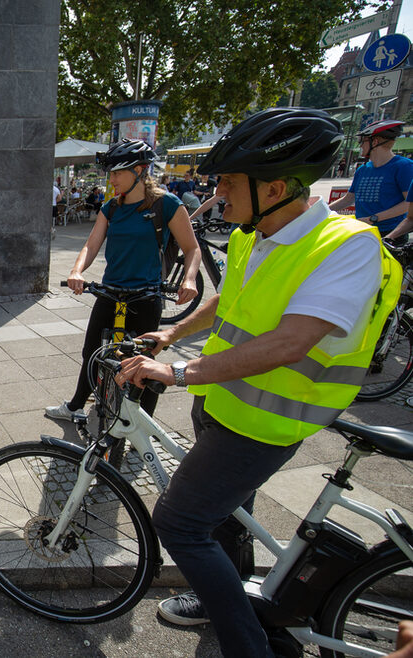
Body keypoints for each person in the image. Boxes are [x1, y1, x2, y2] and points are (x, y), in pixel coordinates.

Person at [116, 108, 399, 658]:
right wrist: (174, 333)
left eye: (228, 182)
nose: (218, 193)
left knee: (178, 522)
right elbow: (231, 302)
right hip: (223, 402)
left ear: (274, 187)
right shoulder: (255, 230)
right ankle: (229, 596)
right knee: (226, 517)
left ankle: (249, 646)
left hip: (268, 421)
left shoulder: (347, 246)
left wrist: (177, 372)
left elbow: (292, 341)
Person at [44, 139, 201, 422]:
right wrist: (76, 271)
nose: (111, 179)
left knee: (144, 363)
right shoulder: (111, 208)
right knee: (91, 352)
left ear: (140, 170)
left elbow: (192, 248)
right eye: (110, 173)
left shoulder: (166, 204)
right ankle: (76, 405)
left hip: (145, 296)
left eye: (117, 173)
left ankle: (143, 424)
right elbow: (90, 246)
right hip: (111, 292)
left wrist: (189, 280)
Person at [329, 119, 413, 238]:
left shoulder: (404, 166)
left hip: (391, 233)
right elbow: (348, 199)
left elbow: (408, 203)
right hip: (364, 231)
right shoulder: (362, 170)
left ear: (375, 142)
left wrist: (374, 218)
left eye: (362, 141)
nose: (361, 145)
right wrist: (323, 210)